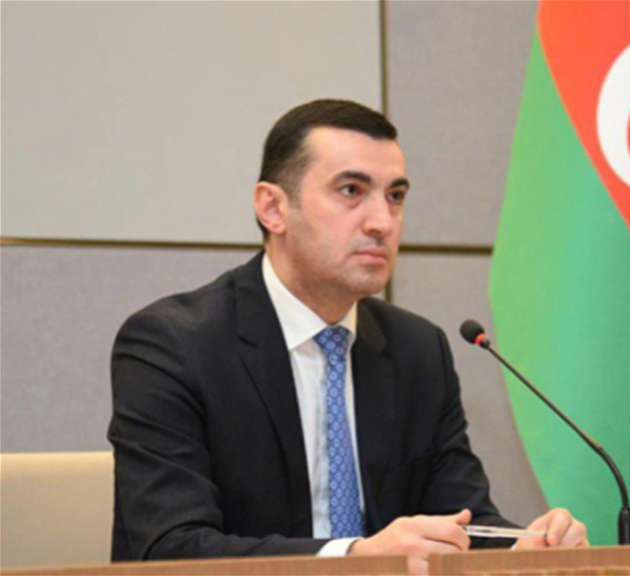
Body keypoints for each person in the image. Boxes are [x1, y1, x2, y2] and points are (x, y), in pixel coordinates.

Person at [108, 100, 588, 575]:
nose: (383, 222)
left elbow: (462, 521)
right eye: (351, 191)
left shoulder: (418, 351)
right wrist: (354, 558)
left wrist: (525, 547)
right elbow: (171, 549)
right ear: (273, 208)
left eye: (395, 196)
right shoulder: (173, 345)